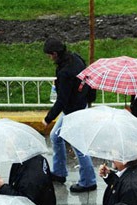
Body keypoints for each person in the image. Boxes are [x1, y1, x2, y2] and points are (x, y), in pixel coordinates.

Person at [42, 37, 97, 193]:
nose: (49, 58)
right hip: (79, 105)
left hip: (73, 111)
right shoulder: (76, 58)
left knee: (79, 146)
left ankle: (88, 181)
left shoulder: (65, 72)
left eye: (49, 54)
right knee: (56, 137)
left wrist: (48, 118)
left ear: (54, 54)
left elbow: (62, 100)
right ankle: (59, 172)